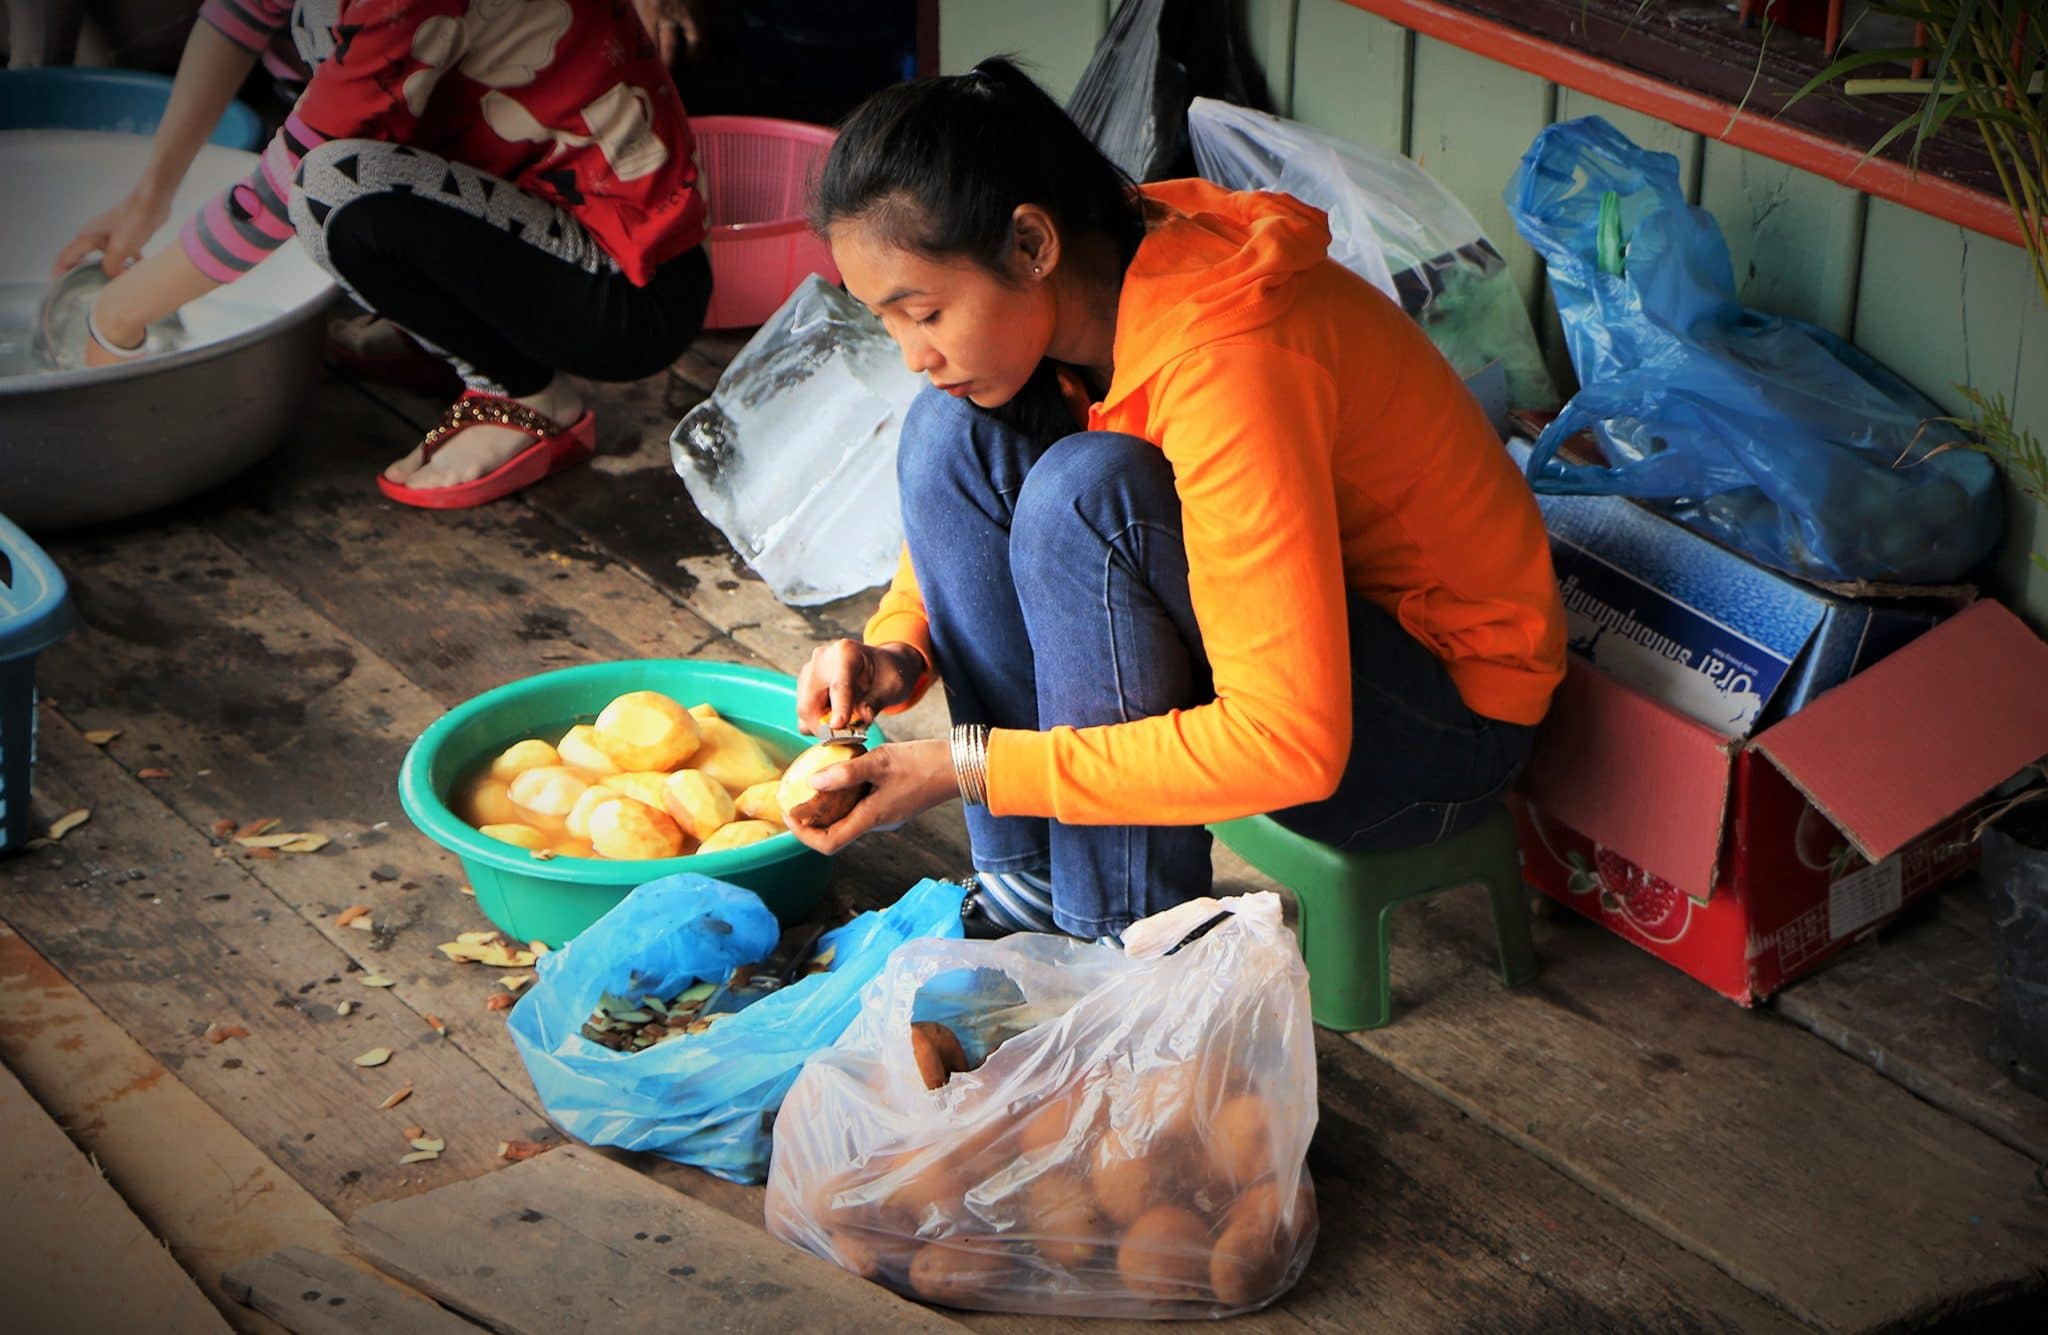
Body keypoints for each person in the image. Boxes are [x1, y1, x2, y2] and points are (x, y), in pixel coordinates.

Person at [787, 59, 1567, 942]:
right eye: (885, 320)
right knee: (950, 430)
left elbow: (1292, 745)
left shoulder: (1228, 360)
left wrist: (964, 766)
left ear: (1032, 246)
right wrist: (900, 647)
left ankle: (1115, 941)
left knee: (1086, 497)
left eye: (923, 313)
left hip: (1434, 737)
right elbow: (965, 499)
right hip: (1302, 659)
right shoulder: (1102, 272)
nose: (911, 352)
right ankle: (1029, 893)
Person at [55, 0, 712, 508]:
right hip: (528, 223)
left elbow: (281, 189)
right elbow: (241, 13)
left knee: (327, 188)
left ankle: (525, 393)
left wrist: (119, 314)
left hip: (627, 292)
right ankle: (464, 333)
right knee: (331, 152)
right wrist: (148, 198)